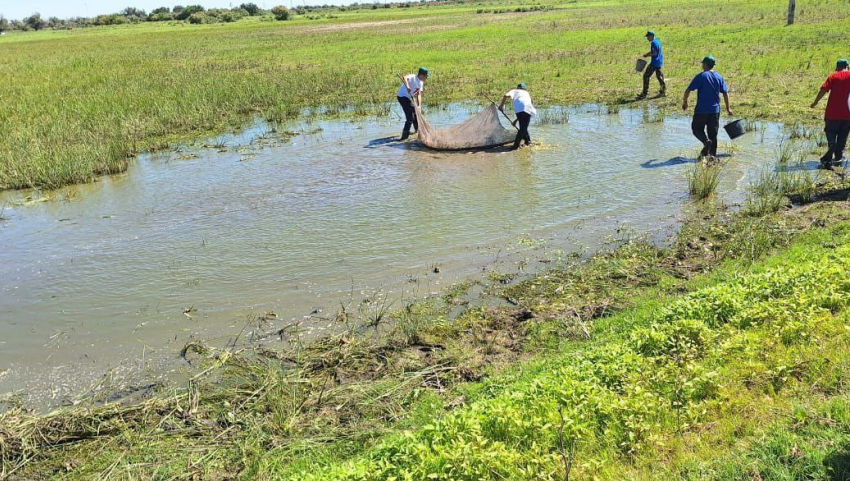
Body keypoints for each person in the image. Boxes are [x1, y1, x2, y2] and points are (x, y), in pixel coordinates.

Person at [682, 56, 732, 158]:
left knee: (696, 129)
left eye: (702, 64)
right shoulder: (719, 77)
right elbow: (725, 93)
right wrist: (728, 108)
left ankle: (705, 142)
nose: (702, 65)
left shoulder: (701, 76)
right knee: (713, 135)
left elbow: (688, 90)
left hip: (701, 110)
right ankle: (712, 157)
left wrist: (685, 102)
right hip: (715, 111)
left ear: (705, 64)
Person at [811, 59, 850, 168]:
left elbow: (823, 90)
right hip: (848, 114)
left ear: (837, 68)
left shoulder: (833, 77)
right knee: (843, 134)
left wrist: (815, 102)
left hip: (832, 113)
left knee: (830, 131)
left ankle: (832, 145)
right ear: (848, 66)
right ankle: (838, 157)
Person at [499, 83, 537, 150]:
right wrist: (516, 120)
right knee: (523, 127)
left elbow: (505, 95)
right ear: (524, 89)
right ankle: (528, 142)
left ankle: (516, 146)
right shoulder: (526, 93)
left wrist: (501, 105)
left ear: (518, 88)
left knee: (523, 128)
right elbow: (530, 103)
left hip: (519, 109)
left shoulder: (515, 90)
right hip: (528, 108)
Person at [397, 67, 429, 140]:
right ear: (422, 75)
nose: (426, 78)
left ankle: (416, 131)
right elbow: (404, 78)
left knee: (416, 113)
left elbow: (419, 94)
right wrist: (408, 87)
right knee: (410, 117)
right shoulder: (412, 77)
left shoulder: (421, 83)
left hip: (408, 98)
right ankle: (404, 137)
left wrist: (419, 105)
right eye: (426, 76)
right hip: (402, 97)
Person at [637, 31, 666, 100]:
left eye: (648, 36)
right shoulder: (657, 41)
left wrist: (647, 55)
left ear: (652, 35)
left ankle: (644, 94)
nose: (647, 38)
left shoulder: (653, 43)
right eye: (647, 36)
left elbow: (654, 53)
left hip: (654, 63)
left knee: (646, 76)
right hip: (659, 61)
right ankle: (663, 91)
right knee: (659, 76)